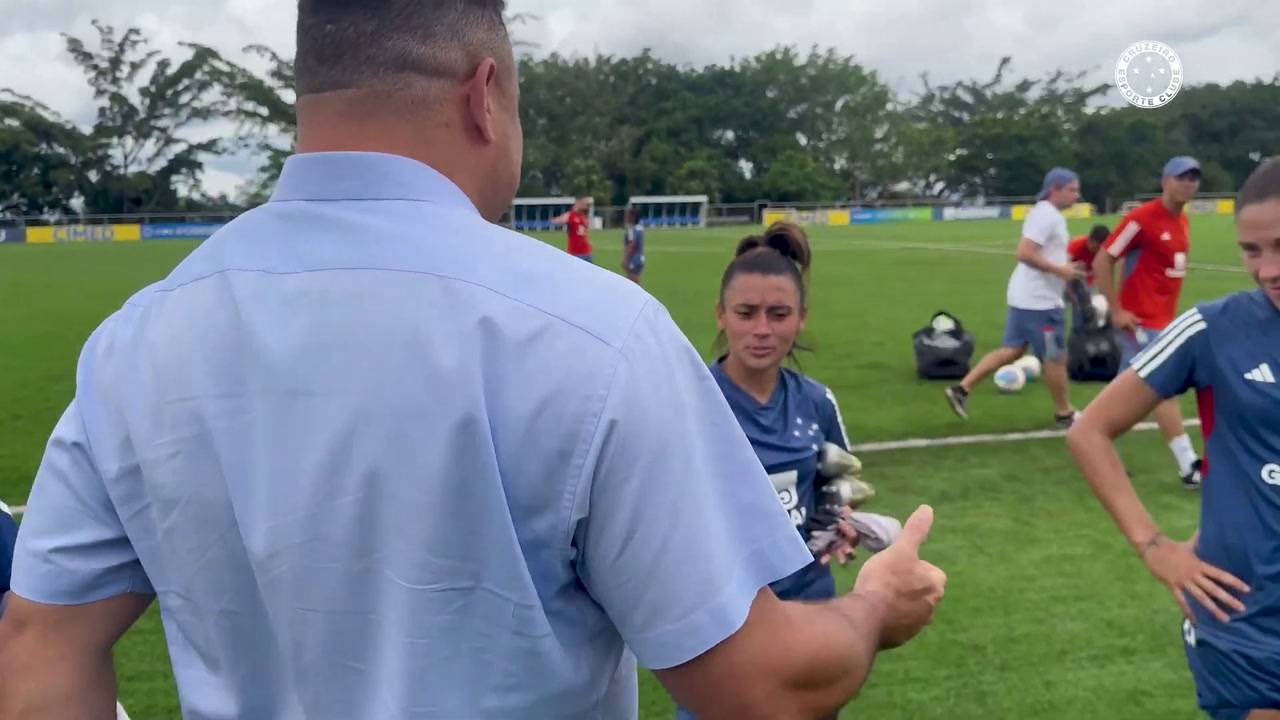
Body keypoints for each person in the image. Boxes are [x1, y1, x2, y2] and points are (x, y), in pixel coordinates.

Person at [0, 3, 947, 719]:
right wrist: (873, 610)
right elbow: (759, 683)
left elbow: (39, 649)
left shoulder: (135, 340)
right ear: (484, 95)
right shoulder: (594, 333)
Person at [1065, 157, 1280, 720]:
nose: (1267, 270)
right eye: (1252, 251)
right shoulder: (1214, 328)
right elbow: (1090, 431)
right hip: (1246, 628)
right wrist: (1153, 547)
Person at [675, 221, 905, 720]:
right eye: (746, 313)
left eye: (779, 314)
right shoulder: (690, 402)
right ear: (721, 315)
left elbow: (833, 487)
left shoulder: (816, 402)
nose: (762, 329)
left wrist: (841, 526)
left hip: (809, 605)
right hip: (728, 617)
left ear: (801, 318)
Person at [1092, 156, 1204, 490]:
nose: (1189, 183)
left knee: (1127, 388)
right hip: (1140, 320)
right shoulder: (1141, 219)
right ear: (1165, 180)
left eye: (1194, 178)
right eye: (1182, 177)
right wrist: (1116, 309)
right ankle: (1188, 466)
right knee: (1162, 386)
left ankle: (1087, 432)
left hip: (1163, 320)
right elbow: (1103, 260)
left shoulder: (1181, 221)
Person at [945, 167, 1085, 426]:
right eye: (1072, 190)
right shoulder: (1048, 216)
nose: (1077, 195)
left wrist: (1065, 283)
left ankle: (961, 390)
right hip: (1039, 304)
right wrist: (1061, 270)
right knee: (1055, 358)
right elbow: (1025, 253)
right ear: (1055, 189)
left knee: (1012, 350)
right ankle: (1064, 413)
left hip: (1026, 297)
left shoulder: (1044, 214)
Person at [552, 196, 594, 262]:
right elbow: (558, 221)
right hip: (575, 252)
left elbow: (590, 200)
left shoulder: (583, 216)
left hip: (586, 251)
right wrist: (558, 220)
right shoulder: (570, 215)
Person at [622, 206, 645, 283]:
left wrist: (625, 258)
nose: (626, 217)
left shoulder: (632, 229)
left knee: (633, 279)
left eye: (628, 215)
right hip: (640, 257)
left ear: (633, 217)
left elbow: (632, 243)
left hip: (633, 258)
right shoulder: (640, 227)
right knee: (632, 278)